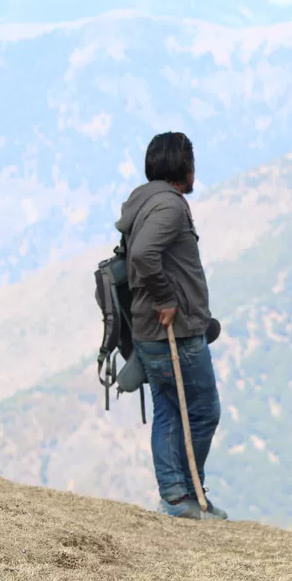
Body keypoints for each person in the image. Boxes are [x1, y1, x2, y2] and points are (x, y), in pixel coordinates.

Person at [115, 131, 226, 521]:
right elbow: (145, 255)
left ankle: (177, 497)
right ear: (183, 168)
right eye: (192, 163)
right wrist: (166, 299)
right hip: (173, 331)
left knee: (168, 410)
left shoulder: (143, 201)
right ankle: (184, 492)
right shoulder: (170, 207)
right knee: (203, 410)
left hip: (148, 330)